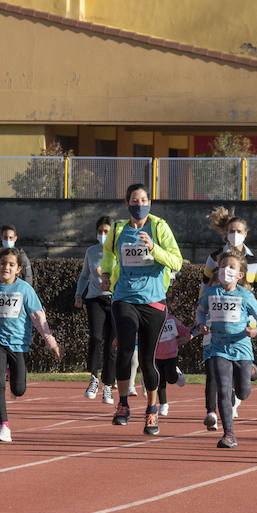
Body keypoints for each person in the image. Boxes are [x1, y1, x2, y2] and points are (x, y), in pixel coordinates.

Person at [100, 182, 183, 436]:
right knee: (125, 349)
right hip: (124, 297)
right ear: (127, 204)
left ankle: (152, 409)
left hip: (154, 301)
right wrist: (105, 273)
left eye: (144, 200)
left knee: (148, 360)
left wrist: (154, 248)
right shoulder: (118, 229)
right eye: (134, 201)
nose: (139, 205)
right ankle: (123, 404)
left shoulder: (159, 227)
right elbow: (108, 254)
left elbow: (177, 261)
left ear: (150, 203)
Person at [0, 247, 60, 443]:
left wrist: (50, 342)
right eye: (2, 263)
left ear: (18, 269)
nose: (5, 267)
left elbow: (38, 317)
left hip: (18, 345)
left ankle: (13, 380)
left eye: (10, 264)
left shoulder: (25, 289)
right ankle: (4, 427)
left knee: (19, 389)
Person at [195, 251, 257, 448]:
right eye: (223, 267)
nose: (226, 271)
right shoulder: (210, 294)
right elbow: (200, 311)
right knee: (224, 390)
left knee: (243, 393)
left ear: (240, 275)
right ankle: (229, 434)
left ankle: (250, 371)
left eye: (231, 268)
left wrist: (256, 331)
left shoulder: (245, 295)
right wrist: (201, 324)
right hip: (218, 347)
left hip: (242, 348)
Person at [74, 214, 117, 404]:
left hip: (115, 301)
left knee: (111, 344)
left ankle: (108, 385)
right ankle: (93, 378)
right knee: (96, 337)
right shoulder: (91, 252)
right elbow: (84, 276)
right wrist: (78, 293)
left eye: (106, 232)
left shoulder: (118, 251)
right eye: (100, 231)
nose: (102, 235)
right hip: (94, 300)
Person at [152, 309, 190, 418]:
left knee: (171, 379)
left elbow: (184, 331)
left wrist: (194, 329)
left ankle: (177, 374)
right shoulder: (151, 320)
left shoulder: (171, 320)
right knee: (159, 380)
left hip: (171, 355)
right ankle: (163, 404)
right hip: (156, 356)